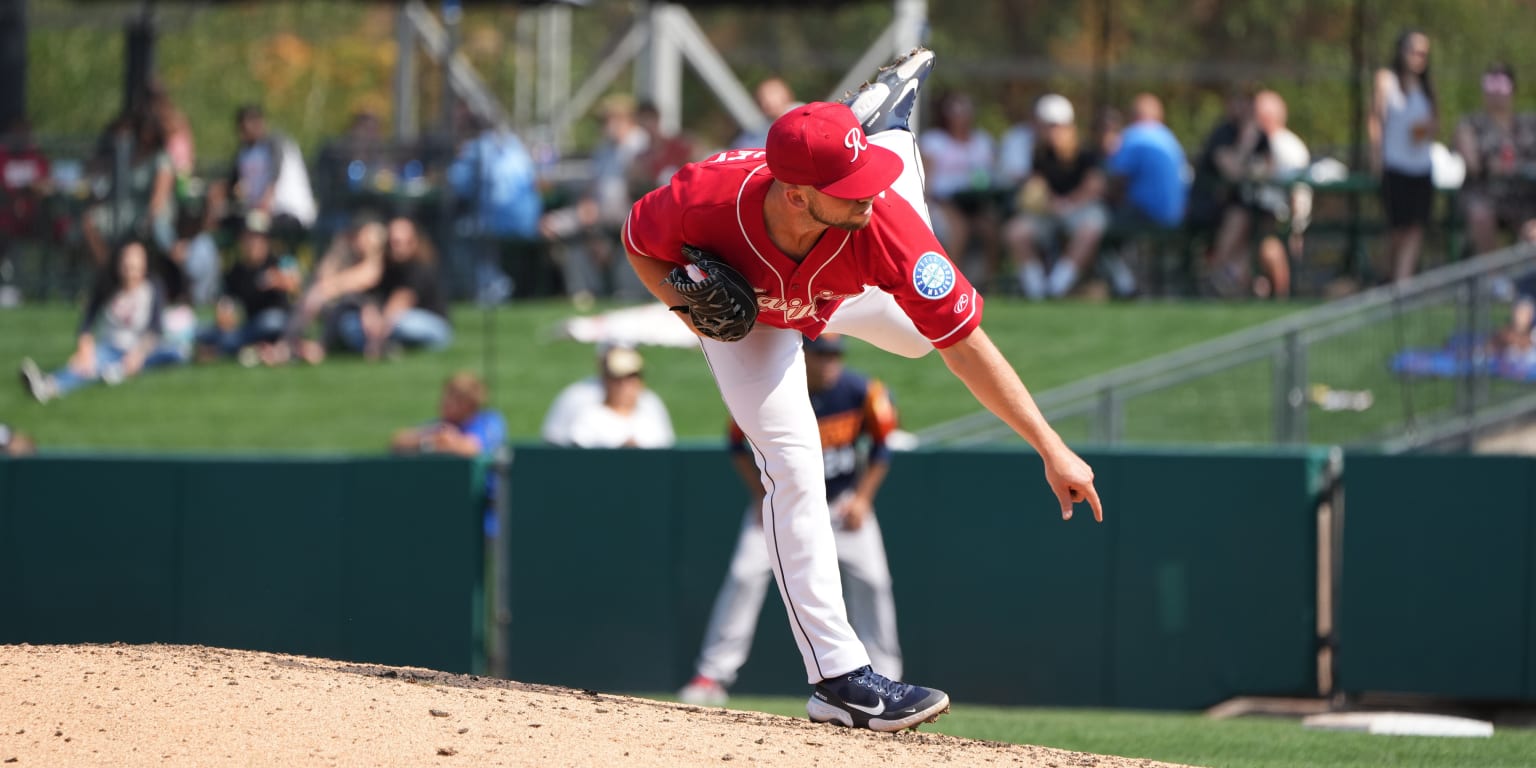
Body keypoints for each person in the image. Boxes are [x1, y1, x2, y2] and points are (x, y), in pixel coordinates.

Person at [621, 48, 1102, 733]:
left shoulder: (877, 220)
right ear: (795, 194)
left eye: (860, 173)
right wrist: (682, 300)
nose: (865, 190)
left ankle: (887, 125)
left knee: (916, 323)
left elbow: (966, 347)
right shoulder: (705, 197)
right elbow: (639, 238)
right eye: (848, 181)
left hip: (833, 289)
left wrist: (1050, 447)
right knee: (794, 465)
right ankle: (841, 679)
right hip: (753, 320)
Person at [678, 333, 905, 708]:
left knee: (876, 582)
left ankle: (887, 677)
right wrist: (758, 493)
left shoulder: (862, 391)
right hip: (784, 501)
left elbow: (883, 445)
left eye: (835, 353)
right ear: (804, 355)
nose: (830, 361)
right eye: (822, 354)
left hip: (843, 503)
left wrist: (864, 498)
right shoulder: (777, 390)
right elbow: (735, 441)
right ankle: (711, 675)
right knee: (743, 576)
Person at [19, 240, 183, 403]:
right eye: (127, 264)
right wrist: (85, 346)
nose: (130, 270)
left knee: (175, 353)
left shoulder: (153, 287)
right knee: (86, 364)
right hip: (111, 347)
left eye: (135, 264)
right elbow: (87, 321)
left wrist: (138, 354)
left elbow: (156, 329)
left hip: (143, 349)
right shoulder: (107, 285)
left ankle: (117, 371)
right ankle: (48, 385)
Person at [539, 93, 650, 306]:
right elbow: (594, 186)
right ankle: (584, 290)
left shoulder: (640, 145)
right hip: (600, 213)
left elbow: (638, 189)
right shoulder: (604, 149)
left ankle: (618, 287)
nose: (605, 125)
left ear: (625, 120)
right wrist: (587, 205)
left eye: (609, 120)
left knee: (585, 225)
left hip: (631, 212)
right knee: (553, 227)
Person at [1003, 94, 1108, 299]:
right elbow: (1038, 187)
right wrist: (1052, 204)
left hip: (1081, 209)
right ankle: (1036, 289)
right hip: (1050, 211)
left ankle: (1058, 286)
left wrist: (1069, 203)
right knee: (1015, 232)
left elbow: (1094, 187)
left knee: (1090, 229)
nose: (1052, 132)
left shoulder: (1086, 153)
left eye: (1056, 126)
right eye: (1047, 126)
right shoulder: (1040, 154)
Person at [390, 370, 508, 536]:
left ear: (469, 403)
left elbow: (473, 448)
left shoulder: (490, 421)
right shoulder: (440, 427)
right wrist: (430, 442)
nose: (443, 402)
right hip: (440, 506)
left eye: (452, 399)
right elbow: (398, 441)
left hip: (484, 510)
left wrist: (449, 442)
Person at [446, 112, 543, 302]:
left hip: (500, 221)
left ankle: (491, 282)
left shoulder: (475, 149)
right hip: (530, 218)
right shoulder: (514, 145)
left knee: (456, 234)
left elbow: (457, 184)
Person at [1369, 29, 1438, 283]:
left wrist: (1426, 130)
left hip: (1421, 166)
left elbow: (1435, 122)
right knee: (1396, 230)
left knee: (1415, 229)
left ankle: (1402, 286)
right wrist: (1376, 154)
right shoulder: (1386, 80)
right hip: (1394, 165)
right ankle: (1385, 276)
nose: (1419, 57)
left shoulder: (1427, 86)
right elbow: (1376, 118)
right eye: (1414, 51)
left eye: (1424, 53)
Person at [1103, 92, 1189, 297]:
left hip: (1149, 213)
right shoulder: (1170, 138)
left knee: (1099, 233)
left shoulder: (1133, 136)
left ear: (1133, 116)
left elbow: (1116, 179)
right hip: (1178, 215)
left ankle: (1126, 287)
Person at [337, 216, 452, 358]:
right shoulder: (383, 267)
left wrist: (376, 334)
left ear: (414, 242)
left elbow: (399, 305)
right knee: (349, 324)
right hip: (386, 322)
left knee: (401, 322)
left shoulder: (421, 267)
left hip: (429, 325)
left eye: (402, 242)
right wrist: (368, 312)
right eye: (393, 243)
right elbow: (369, 297)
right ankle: (391, 347)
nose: (397, 248)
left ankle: (383, 345)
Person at [278, 214, 387, 364]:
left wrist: (332, 286)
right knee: (316, 298)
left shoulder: (377, 257)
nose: (358, 239)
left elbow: (368, 277)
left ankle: (309, 347)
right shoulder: (346, 252)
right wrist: (339, 248)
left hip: (370, 312)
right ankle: (289, 345)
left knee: (347, 321)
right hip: (343, 309)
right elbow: (322, 276)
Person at [919, 91, 1001, 289]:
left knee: (991, 229)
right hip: (941, 201)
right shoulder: (934, 141)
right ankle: (953, 286)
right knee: (958, 229)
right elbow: (926, 181)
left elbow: (991, 175)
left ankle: (988, 282)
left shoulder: (983, 141)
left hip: (974, 202)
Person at [196, 211, 300, 364]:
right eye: (248, 238)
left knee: (271, 321)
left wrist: (279, 281)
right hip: (249, 326)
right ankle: (247, 348)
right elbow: (226, 304)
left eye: (257, 238)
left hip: (277, 323)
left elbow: (297, 287)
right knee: (206, 331)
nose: (253, 244)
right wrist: (224, 316)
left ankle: (236, 348)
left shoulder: (279, 262)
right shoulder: (235, 271)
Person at [1455, 63, 1536, 257]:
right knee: (1480, 216)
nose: (1496, 94)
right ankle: (1495, 281)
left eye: (1502, 86)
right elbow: (1472, 163)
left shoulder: (1529, 123)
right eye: (1491, 87)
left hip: (1524, 198)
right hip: (1484, 195)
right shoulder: (1471, 123)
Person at [540, 345, 676, 449]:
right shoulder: (589, 416)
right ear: (606, 380)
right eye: (617, 378)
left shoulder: (651, 412)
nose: (624, 385)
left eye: (631, 377)